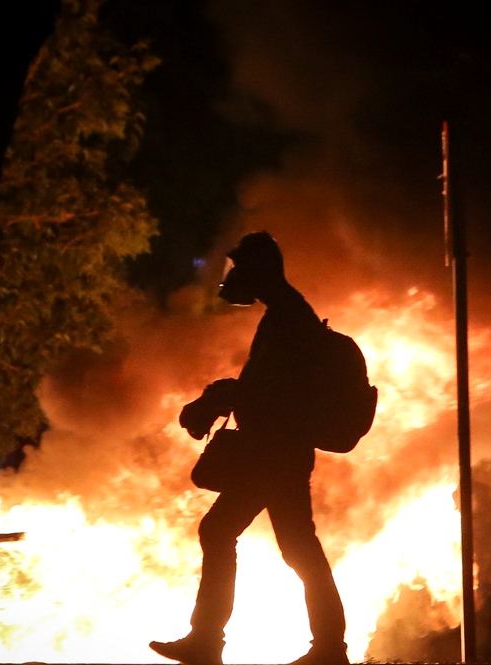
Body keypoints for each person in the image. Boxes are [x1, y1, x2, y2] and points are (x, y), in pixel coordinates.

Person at [150, 231, 348, 665]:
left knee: (228, 533)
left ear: (259, 270)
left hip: (275, 453)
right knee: (296, 546)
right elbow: (264, 387)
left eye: (241, 268)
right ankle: (328, 648)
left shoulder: (289, 318)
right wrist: (223, 395)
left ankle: (209, 642)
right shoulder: (285, 314)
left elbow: (275, 392)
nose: (234, 277)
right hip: (276, 451)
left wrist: (222, 398)